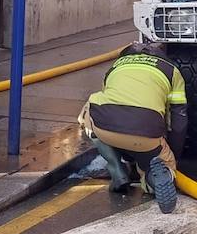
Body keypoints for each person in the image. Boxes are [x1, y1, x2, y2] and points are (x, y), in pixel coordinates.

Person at [79, 43, 188, 213]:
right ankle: (157, 175)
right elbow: (179, 120)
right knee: (158, 166)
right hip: (146, 132)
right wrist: (172, 153)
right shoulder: (172, 71)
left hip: (105, 126)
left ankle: (117, 170)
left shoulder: (115, 67)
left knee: (89, 114)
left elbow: (114, 106)